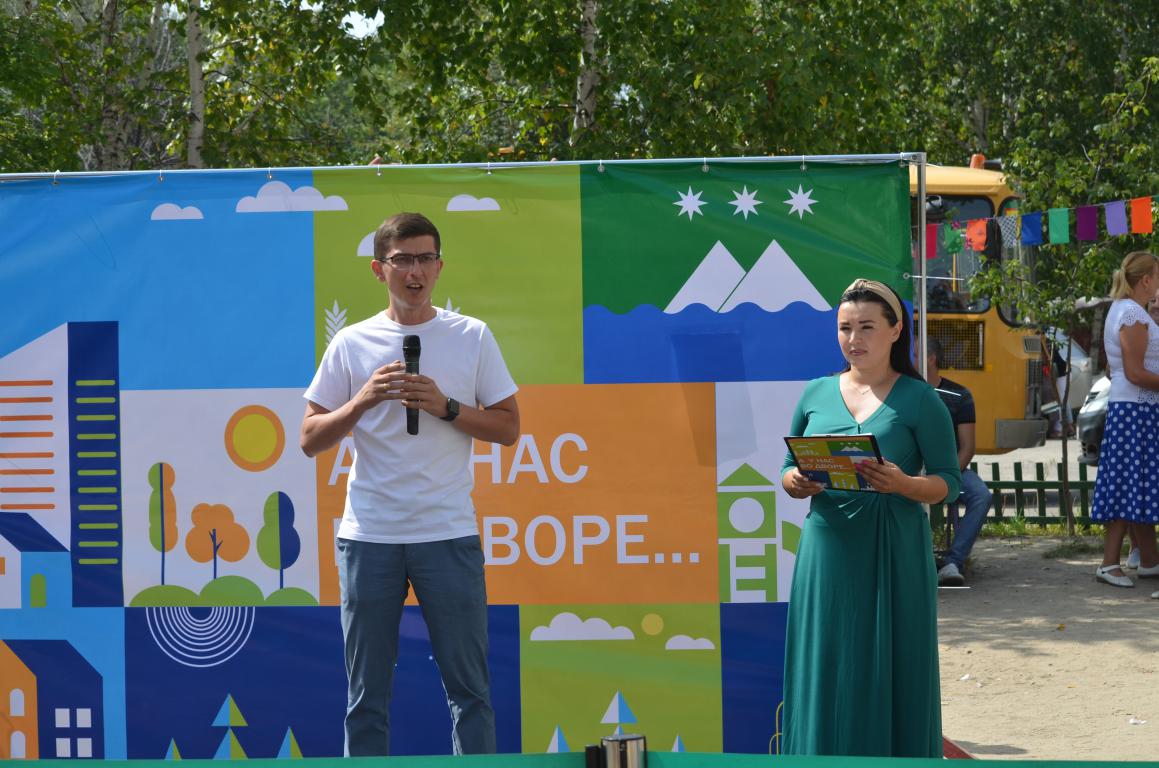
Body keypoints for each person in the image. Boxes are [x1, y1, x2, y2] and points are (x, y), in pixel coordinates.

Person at [300, 212, 520, 755]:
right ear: (380, 269)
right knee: (365, 697)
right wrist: (362, 401)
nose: (415, 272)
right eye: (402, 260)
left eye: (425, 259)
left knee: (471, 693)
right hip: (369, 537)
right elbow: (309, 438)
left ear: (440, 267)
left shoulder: (471, 336)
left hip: (447, 533)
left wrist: (447, 407)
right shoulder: (351, 342)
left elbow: (508, 427)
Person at [780, 278, 961, 757]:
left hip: (894, 551)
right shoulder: (815, 393)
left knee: (892, 664)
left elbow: (949, 481)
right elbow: (787, 467)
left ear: (896, 330)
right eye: (844, 328)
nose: (853, 338)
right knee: (827, 664)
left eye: (866, 327)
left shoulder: (921, 399)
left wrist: (904, 484)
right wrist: (794, 481)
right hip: (827, 550)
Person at [1091, 251, 1159, 588]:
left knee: (1137, 483)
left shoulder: (1124, 309)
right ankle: (1108, 563)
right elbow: (1134, 372)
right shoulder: (1132, 313)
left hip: (1133, 408)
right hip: (1135, 410)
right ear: (1145, 280)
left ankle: (1149, 560)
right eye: (1157, 277)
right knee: (1125, 484)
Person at [925, 337, 994, 586]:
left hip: (952, 469)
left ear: (930, 359)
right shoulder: (902, 392)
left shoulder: (958, 395)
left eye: (915, 354)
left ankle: (953, 561)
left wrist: (948, 476)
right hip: (910, 469)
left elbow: (967, 447)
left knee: (981, 495)